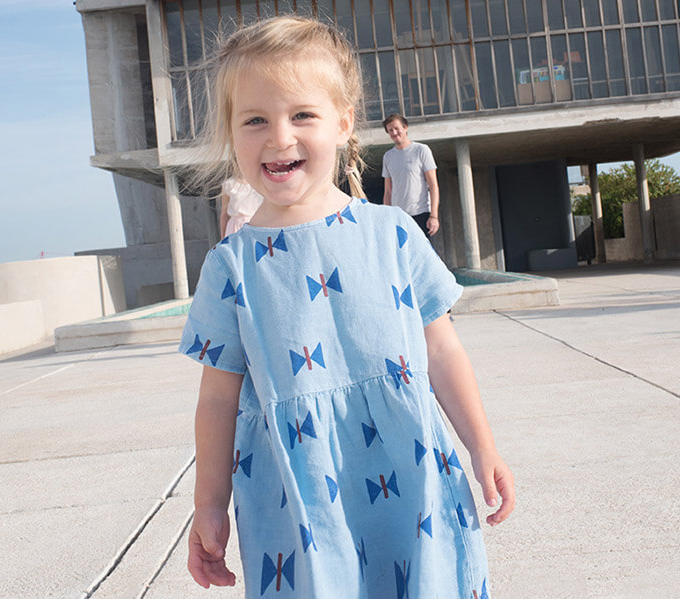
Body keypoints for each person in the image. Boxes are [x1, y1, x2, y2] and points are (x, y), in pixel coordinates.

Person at [181, 16, 514, 598]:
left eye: (301, 114)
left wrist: (481, 443)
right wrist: (209, 502)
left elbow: (442, 348)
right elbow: (216, 399)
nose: (279, 136)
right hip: (297, 494)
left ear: (342, 122)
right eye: (255, 119)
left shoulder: (392, 235)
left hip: (411, 477)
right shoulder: (230, 265)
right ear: (230, 136)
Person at [382, 113, 441, 237]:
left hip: (421, 213)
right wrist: (387, 216)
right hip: (398, 216)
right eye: (390, 130)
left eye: (396, 128)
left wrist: (434, 216)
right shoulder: (388, 156)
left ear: (405, 127)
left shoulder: (421, 150)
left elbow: (433, 185)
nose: (394, 132)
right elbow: (388, 191)